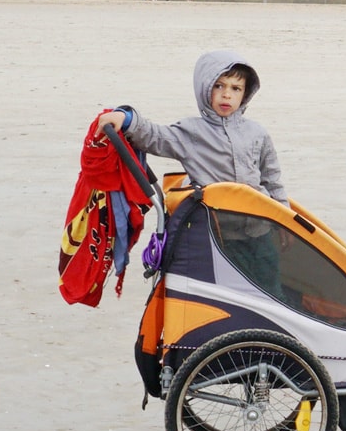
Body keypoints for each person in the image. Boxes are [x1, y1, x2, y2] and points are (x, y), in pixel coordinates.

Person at [95, 51, 286, 296]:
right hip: (218, 235)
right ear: (205, 88)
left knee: (270, 290)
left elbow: (272, 179)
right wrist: (127, 118)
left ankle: (269, 332)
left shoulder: (257, 133)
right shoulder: (191, 132)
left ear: (246, 93)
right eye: (219, 86)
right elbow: (156, 136)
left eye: (236, 88)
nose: (227, 94)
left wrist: (284, 219)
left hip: (259, 231)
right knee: (227, 294)